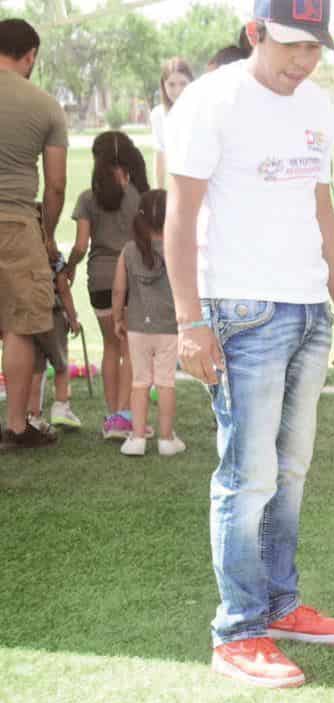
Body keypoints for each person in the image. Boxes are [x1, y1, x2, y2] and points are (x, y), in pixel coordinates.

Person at [165, 0, 334, 689]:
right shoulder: (210, 101)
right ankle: (238, 631)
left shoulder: (317, 106)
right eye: (289, 47)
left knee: (291, 470)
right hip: (240, 310)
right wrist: (191, 322)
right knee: (246, 478)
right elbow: (181, 213)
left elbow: (321, 207)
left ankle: (280, 605)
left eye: (314, 49)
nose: (302, 62)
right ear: (255, 34)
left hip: (309, 307)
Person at [0, 18, 66, 449]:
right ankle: (17, 426)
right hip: (17, 222)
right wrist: (47, 233)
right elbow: (56, 185)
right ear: (30, 57)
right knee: (19, 326)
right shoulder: (45, 105)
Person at [65, 131, 147, 440]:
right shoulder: (137, 196)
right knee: (129, 348)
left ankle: (112, 418)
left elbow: (81, 245)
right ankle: (127, 415)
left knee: (111, 347)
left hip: (98, 280)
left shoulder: (87, 198)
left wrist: (68, 268)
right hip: (131, 278)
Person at [112, 189, 183, 457]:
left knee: (139, 383)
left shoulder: (129, 251)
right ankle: (166, 439)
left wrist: (118, 318)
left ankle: (138, 437)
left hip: (137, 328)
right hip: (169, 328)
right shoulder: (177, 250)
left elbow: (119, 291)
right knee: (166, 383)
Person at [27, 211, 80, 433]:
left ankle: (34, 415)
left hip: (28, 317)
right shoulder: (54, 258)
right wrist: (74, 318)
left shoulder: (21, 257)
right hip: (53, 315)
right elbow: (64, 291)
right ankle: (61, 407)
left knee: (36, 369)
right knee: (61, 364)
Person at [150, 58, 193, 187]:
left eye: (183, 83)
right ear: (163, 85)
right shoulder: (158, 115)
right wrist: (159, 192)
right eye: (171, 84)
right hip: (176, 183)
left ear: (192, 82)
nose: (177, 90)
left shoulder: (203, 111)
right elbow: (159, 155)